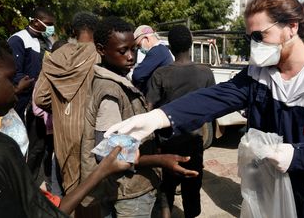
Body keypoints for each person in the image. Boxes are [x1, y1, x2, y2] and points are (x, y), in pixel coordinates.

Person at [106, 0, 304, 217]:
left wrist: (299, 157)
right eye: (250, 38)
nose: (255, 45)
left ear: (291, 28)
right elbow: (217, 97)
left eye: (261, 36)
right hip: (270, 203)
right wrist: (160, 116)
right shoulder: (260, 76)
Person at [0, 28, 135, 218]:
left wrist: (61, 109)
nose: (16, 87)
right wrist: (101, 171)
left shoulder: (56, 57)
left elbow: (40, 98)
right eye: (10, 79)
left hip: (62, 143)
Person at [80, 16, 198, 218]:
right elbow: (107, 154)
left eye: (133, 49)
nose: (131, 57)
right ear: (100, 49)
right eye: (122, 51)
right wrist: (160, 160)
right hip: (128, 192)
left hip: (129, 188)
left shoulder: (116, 81)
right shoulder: (110, 91)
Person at [146, 25, 215, 218]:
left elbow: (149, 108)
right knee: (192, 186)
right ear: (191, 44)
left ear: (170, 47)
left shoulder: (160, 74)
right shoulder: (205, 73)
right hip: (194, 140)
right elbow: (212, 109)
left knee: (166, 185)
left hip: (167, 142)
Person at [34, 11, 101, 194]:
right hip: (92, 130)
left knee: (69, 187)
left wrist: (60, 105)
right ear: (96, 30)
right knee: (91, 191)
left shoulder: (56, 56)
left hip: (63, 131)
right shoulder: (100, 55)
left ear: (73, 30)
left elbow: (40, 97)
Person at [8, 7, 56, 179]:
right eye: (49, 24)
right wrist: (37, 85)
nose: (52, 28)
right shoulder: (19, 40)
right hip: (24, 103)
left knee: (39, 146)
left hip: (43, 104)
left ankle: (32, 182)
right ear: (36, 21)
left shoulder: (47, 41)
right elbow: (15, 72)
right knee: (24, 144)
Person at [132, 25, 173, 94]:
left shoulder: (157, 51)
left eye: (139, 45)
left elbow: (137, 75)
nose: (139, 49)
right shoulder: (162, 49)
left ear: (147, 38)